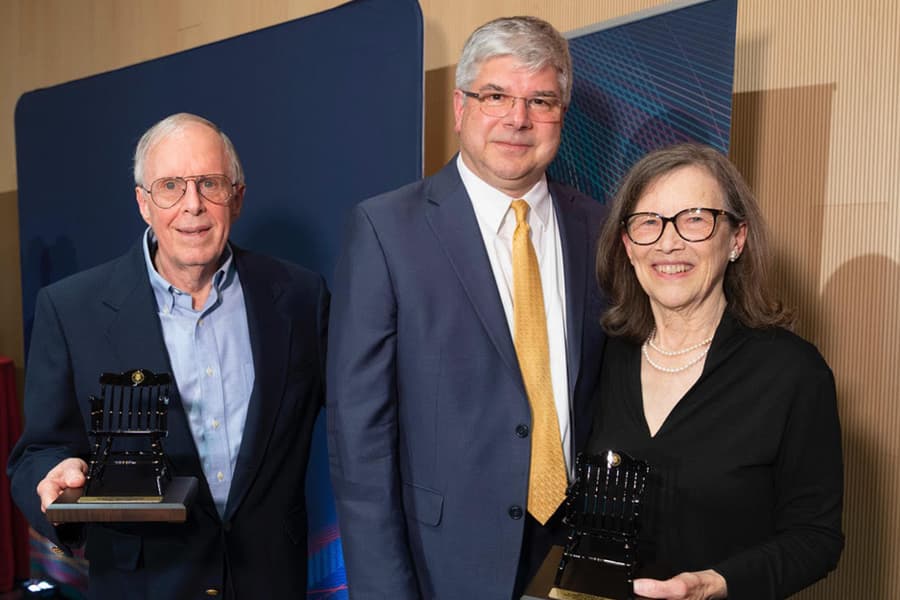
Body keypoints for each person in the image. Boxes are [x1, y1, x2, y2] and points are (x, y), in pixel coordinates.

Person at [327, 15, 608, 600]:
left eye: (541, 100)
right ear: (460, 107)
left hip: (578, 557)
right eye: (496, 96)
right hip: (442, 561)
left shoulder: (599, 228)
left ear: (561, 114)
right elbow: (360, 437)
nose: (517, 118)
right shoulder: (386, 229)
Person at [7, 113, 328, 599]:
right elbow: (38, 452)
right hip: (143, 586)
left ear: (238, 197)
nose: (192, 205)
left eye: (211, 184)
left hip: (270, 581)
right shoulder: (71, 310)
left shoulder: (301, 297)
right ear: (143, 203)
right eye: (171, 186)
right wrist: (54, 479)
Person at [589, 143, 843, 599]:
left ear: (736, 239)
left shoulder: (792, 372)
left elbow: (816, 538)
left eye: (695, 220)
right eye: (649, 222)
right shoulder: (600, 357)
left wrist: (719, 584)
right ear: (627, 245)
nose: (669, 242)